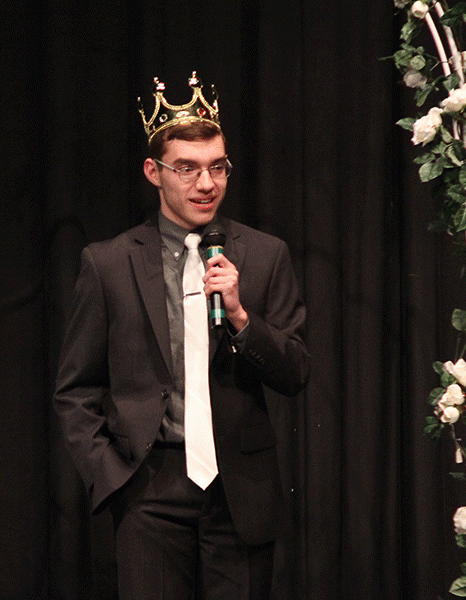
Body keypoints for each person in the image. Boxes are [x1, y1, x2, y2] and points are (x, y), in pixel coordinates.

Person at [53, 72, 310, 600]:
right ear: (154, 171)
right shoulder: (108, 263)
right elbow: (75, 389)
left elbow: (295, 371)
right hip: (150, 486)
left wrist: (240, 316)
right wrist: (112, 477)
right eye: (187, 169)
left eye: (217, 168)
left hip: (239, 488)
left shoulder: (264, 255)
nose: (206, 184)